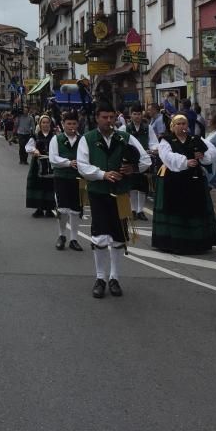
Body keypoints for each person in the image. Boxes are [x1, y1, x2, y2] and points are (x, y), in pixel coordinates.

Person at [77, 100, 151, 299]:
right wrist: (102, 174)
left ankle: (114, 278)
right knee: (100, 236)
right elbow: (83, 165)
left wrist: (133, 169)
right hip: (99, 192)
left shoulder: (124, 137)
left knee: (119, 237)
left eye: (111, 117)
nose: (109, 121)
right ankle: (100, 277)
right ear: (97, 118)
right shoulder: (88, 139)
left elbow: (145, 160)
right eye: (104, 117)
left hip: (121, 193)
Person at [151, 114, 216, 254]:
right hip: (173, 179)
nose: (182, 127)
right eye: (179, 124)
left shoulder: (195, 139)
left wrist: (203, 156)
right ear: (173, 126)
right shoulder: (167, 140)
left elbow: (212, 151)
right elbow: (166, 156)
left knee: (195, 207)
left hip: (194, 179)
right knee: (175, 207)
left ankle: (197, 241)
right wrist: (185, 162)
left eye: (184, 124)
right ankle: (173, 241)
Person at [49, 110, 84, 252]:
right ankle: (62, 235)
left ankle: (74, 239)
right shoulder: (56, 139)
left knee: (76, 209)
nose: (71, 126)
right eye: (68, 124)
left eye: (74, 123)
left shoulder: (83, 140)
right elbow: (53, 158)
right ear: (63, 124)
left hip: (78, 178)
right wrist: (68, 163)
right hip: (62, 177)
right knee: (62, 209)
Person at [125, 104, 157, 221]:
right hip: (131, 160)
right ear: (131, 115)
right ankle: (133, 210)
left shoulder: (148, 128)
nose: (137, 116)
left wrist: (153, 149)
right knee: (133, 186)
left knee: (143, 186)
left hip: (144, 159)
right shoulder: (125, 128)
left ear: (141, 114)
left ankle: (140, 210)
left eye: (139, 114)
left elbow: (153, 142)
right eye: (134, 114)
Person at [25, 115, 57, 217]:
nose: (45, 124)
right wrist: (35, 150)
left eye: (47, 122)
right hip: (38, 164)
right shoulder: (35, 136)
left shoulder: (55, 137)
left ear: (50, 124)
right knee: (38, 185)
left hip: (51, 164)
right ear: (40, 124)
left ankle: (49, 209)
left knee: (50, 186)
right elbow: (28, 147)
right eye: (43, 122)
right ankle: (39, 208)